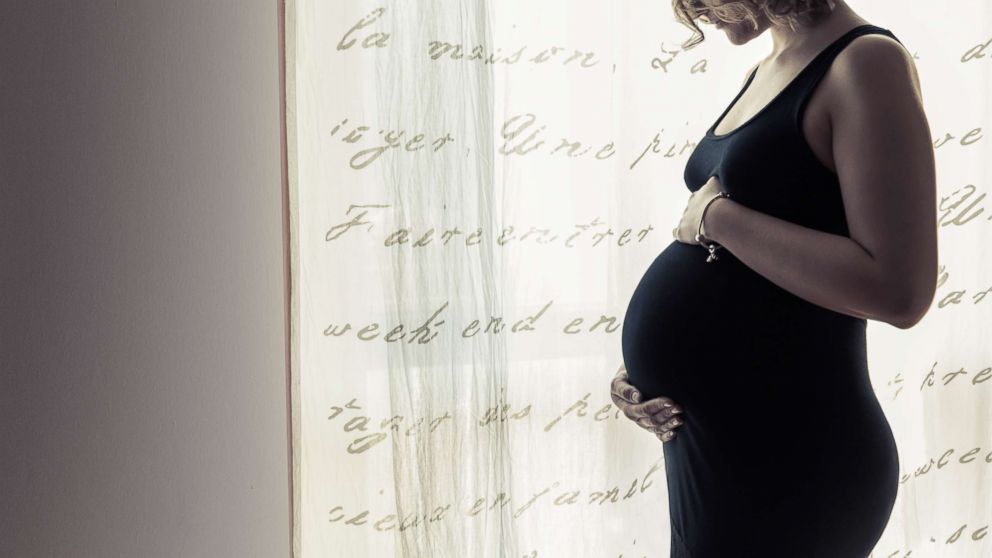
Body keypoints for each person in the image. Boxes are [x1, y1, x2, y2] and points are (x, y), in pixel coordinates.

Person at [614, 0, 937, 556]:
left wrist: (719, 218)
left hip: (795, 458)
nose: (697, 13)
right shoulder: (763, 68)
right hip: (717, 453)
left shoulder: (865, 62)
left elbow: (900, 290)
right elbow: (755, 282)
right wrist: (647, 368)